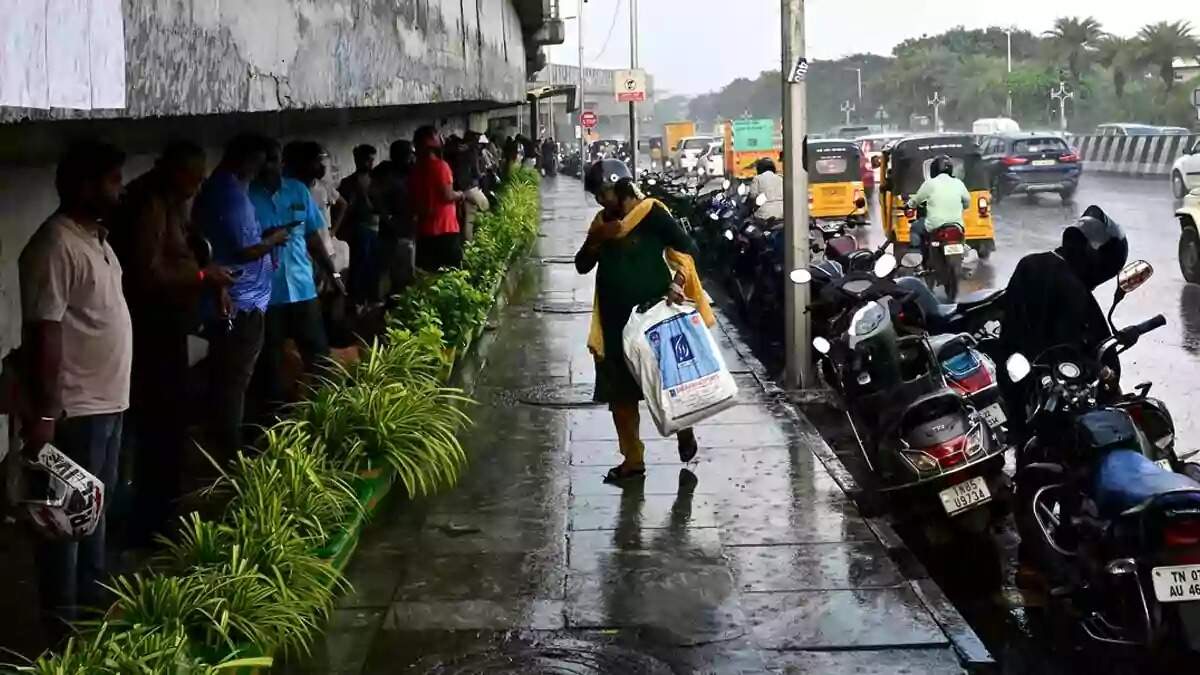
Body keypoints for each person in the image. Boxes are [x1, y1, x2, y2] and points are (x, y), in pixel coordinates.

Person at [18, 140, 132, 631]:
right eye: (112, 181)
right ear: (84, 187)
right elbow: (45, 330)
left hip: (107, 403)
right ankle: (63, 626)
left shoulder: (96, 239)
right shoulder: (55, 245)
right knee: (65, 523)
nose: (119, 190)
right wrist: (45, 412)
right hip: (75, 410)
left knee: (94, 514)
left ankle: (92, 611)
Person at [109, 141, 233, 544]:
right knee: (158, 426)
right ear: (175, 170)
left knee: (172, 423)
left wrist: (207, 276)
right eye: (194, 179)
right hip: (151, 330)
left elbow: (187, 250)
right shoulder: (149, 203)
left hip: (169, 324)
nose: (197, 188)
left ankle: (162, 509)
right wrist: (201, 278)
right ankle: (149, 521)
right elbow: (147, 273)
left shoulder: (172, 200)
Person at [575, 159, 710, 483]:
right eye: (595, 194)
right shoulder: (601, 223)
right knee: (620, 396)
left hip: (654, 319)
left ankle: (683, 428)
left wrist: (678, 283)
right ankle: (632, 460)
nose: (599, 200)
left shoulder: (652, 213)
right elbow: (581, 265)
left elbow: (689, 249)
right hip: (614, 322)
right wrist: (597, 239)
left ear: (621, 188)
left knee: (667, 382)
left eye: (603, 193)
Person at [192, 133, 284, 459]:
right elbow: (245, 250)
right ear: (245, 160)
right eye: (259, 163)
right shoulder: (228, 194)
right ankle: (229, 457)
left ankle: (234, 443)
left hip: (241, 298)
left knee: (235, 378)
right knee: (234, 382)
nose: (260, 170)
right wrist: (274, 240)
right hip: (239, 304)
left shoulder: (227, 190)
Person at [250, 139, 342, 408]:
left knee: (319, 356)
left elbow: (313, 237)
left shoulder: (298, 191)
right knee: (271, 363)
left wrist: (333, 275)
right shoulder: (248, 196)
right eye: (266, 160)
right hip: (268, 295)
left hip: (303, 289)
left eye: (276, 160)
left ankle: (329, 414)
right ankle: (276, 424)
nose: (272, 166)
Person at [408, 126, 464, 271]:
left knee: (428, 275)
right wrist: (461, 194)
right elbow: (447, 195)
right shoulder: (441, 167)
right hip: (445, 228)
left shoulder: (415, 169)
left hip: (424, 231)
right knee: (452, 273)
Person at [372, 140, 417, 299]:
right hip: (392, 231)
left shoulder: (409, 172)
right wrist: (389, 218)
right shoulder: (386, 174)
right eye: (410, 155)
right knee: (389, 272)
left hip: (405, 229)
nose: (413, 158)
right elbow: (376, 199)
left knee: (405, 273)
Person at [338, 144, 381, 307]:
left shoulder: (376, 180)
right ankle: (357, 300)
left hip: (376, 228)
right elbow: (344, 209)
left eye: (372, 160)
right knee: (359, 265)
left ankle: (371, 299)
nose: (370, 164)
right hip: (359, 229)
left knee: (374, 266)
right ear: (357, 160)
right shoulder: (348, 182)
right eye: (367, 160)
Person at [907, 154, 969, 251]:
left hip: (935, 224)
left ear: (934, 169)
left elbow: (916, 200)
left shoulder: (929, 184)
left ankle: (916, 258)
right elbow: (967, 201)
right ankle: (963, 250)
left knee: (915, 228)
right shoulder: (958, 183)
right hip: (957, 225)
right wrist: (963, 207)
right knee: (961, 237)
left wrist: (909, 205)